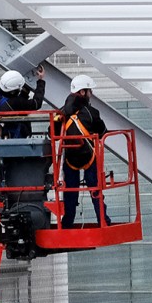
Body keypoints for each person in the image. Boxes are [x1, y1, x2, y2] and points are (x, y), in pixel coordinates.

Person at [53, 75, 111, 228]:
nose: (91, 93)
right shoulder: (91, 112)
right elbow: (103, 132)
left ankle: (67, 222)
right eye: (89, 90)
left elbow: (52, 132)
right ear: (83, 92)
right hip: (89, 156)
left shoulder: (61, 113)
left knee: (70, 190)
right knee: (95, 189)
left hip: (69, 158)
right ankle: (102, 220)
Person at [0, 66, 45, 138]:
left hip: (2, 136)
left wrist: (24, 91)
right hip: (19, 139)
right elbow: (36, 103)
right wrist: (41, 81)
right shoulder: (15, 102)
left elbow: (18, 102)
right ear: (13, 92)